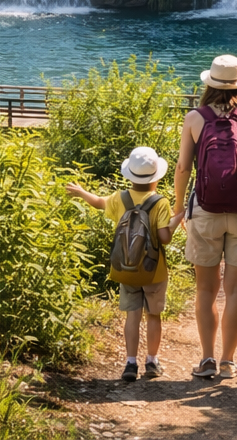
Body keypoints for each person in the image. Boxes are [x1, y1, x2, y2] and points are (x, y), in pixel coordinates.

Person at [171, 54, 237, 381]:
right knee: (236, 292)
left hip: (205, 210)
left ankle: (206, 360)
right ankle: (228, 361)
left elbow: (183, 168)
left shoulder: (193, 119)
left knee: (205, 290)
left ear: (208, 84)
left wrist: (178, 209)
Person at [66, 147, 174, 382]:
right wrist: (176, 221)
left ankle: (130, 364)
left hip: (125, 269)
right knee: (153, 315)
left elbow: (98, 203)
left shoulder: (119, 198)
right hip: (153, 271)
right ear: (156, 177)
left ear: (130, 176)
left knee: (132, 316)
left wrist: (82, 192)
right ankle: (152, 361)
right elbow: (164, 238)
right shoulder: (160, 203)